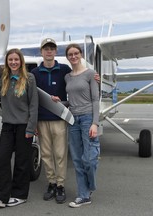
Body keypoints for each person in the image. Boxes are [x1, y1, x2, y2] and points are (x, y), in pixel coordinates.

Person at [0, 48, 38, 208]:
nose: (13, 62)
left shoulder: (29, 78)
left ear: (21, 61)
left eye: (16, 59)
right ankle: (0, 196)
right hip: (7, 126)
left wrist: (31, 128)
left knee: (22, 162)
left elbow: (34, 105)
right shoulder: (4, 78)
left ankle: (20, 195)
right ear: (7, 62)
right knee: (2, 160)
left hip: (23, 127)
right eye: (10, 60)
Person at [30, 38, 71, 204]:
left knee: (60, 154)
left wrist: (93, 78)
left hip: (59, 119)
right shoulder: (34, 73)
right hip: (41, 120)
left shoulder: (64, 69)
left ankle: (61, 185)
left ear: (55, 51)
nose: (49, 51)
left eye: (52, 48)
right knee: (46, 154)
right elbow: (31, 99)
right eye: (46, 49)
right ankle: (51, 183)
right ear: (41, 52)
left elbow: (76, 83)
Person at [64, 43, 100, 208]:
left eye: (76, 53)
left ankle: (90, 186)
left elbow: (95, 100)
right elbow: (71, 99)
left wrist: (95, 123)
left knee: (90, 159)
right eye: (70, 54)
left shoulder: (91, 74)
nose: (73, 56)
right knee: (78, 160)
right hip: (73, 119)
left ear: (80, 55)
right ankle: (84, 195)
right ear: (67, 57)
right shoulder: (68, 77)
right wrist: (60, 102)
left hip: (87, 119)